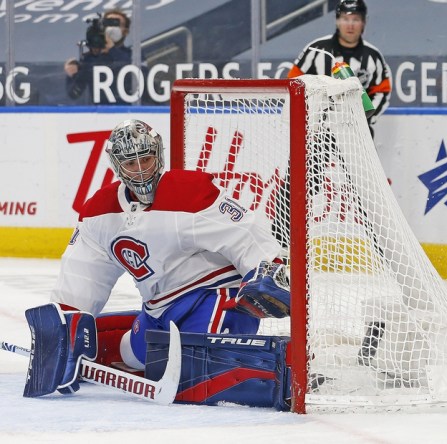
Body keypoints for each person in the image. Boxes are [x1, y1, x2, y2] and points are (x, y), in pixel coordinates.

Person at [23, 119, 292, 406]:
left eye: (146, 159)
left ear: (159, 155)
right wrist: (65, 325)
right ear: (117, 165)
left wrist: (267, 268)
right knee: (128, 354)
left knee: (197, 370)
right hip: (157, 310)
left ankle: (277, 366)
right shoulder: (98, 214)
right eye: (130, 163)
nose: (140, 170)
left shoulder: (189, 191)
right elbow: (84, 273)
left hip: (214, 296)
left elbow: (244, 229)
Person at [288, 0, 391, 137]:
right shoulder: (316, 49)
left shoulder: (373, 56)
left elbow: (382, 91)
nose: (350, 25)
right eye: (345, 19)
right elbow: (293, 82)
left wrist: (364, 118)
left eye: (356, 19)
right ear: (337, 21)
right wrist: (310, 117)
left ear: (364, 22)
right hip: (316, 133)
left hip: (358, 135)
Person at [64, 9, 132, 104]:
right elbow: (74, 93)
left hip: (128, 111)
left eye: (116, 25)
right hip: (99, 114)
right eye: (107, 24)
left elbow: (132, 71)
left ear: (125, 32)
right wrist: (73, 75)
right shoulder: (91, 59)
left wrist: (112, 49)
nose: (111, 29)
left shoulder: (132, 55)